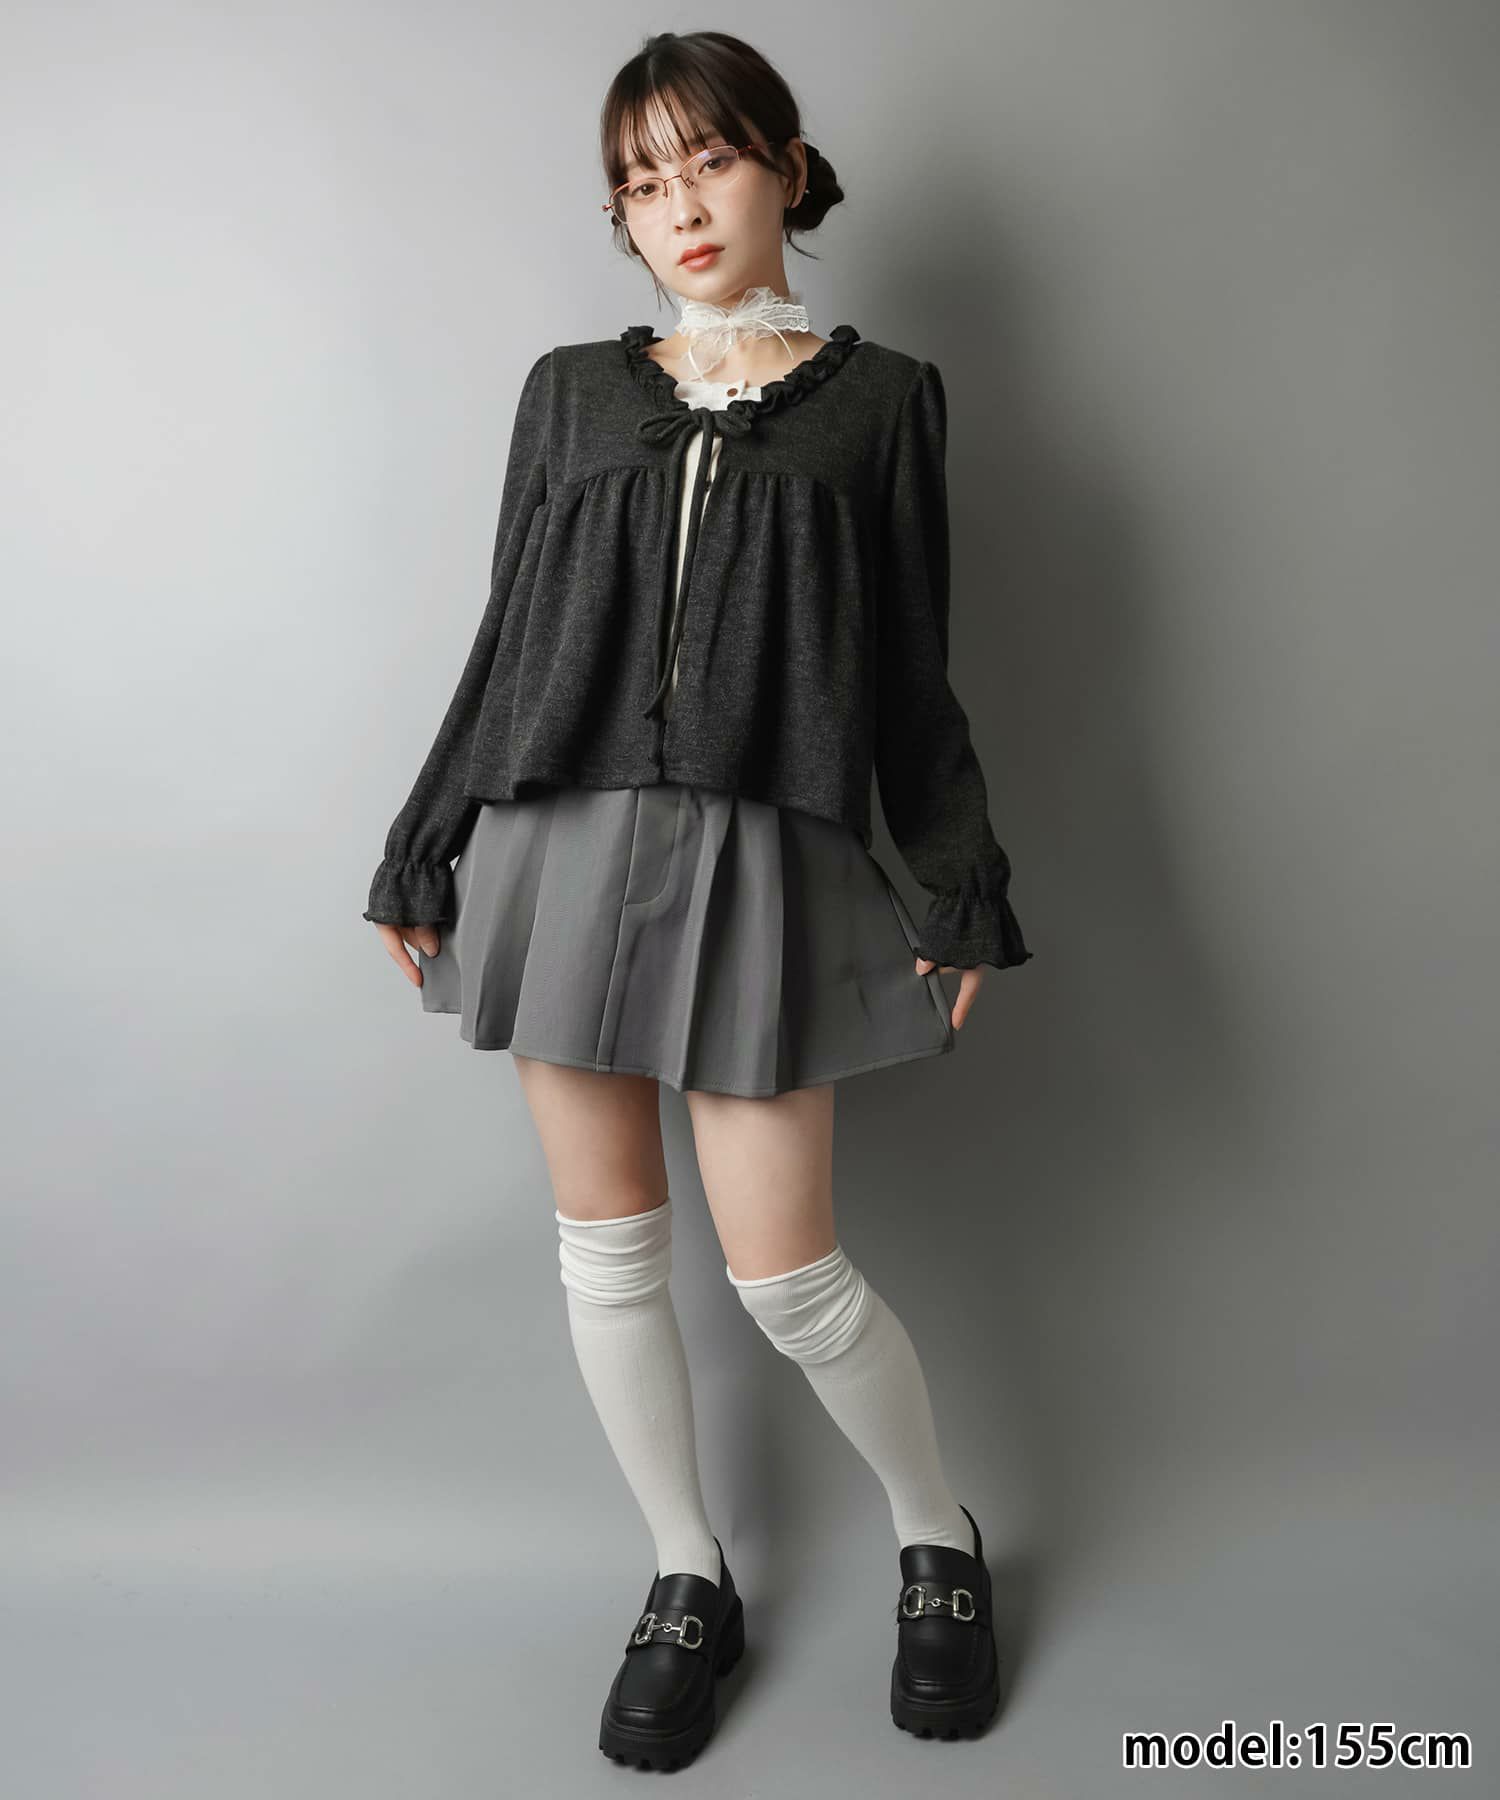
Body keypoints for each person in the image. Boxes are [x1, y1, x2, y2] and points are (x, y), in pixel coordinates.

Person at [362, 28, 1032, 1767]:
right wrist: (424, 836)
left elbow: (909, 669)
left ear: (786, 170)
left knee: (787, 1275)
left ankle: (939, 1537)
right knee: (607, 1252)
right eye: (642, 182)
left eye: (709, 162)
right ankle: (685, 1572)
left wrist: (957, 877)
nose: (679, 206)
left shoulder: (885, 403)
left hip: (765, 853)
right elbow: (509, 636)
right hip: (560, 845)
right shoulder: (569, 392)